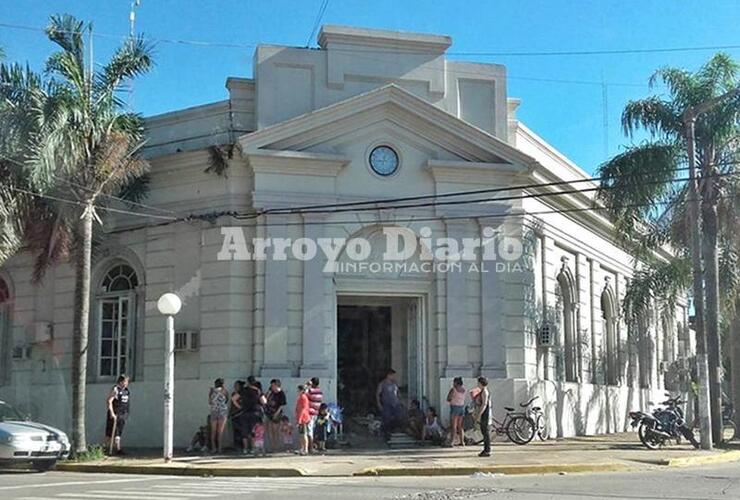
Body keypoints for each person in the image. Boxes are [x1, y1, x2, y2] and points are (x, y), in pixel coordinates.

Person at [105, 374, 130, 455]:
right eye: (125, 381)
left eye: (127, 382)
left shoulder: (126, 391)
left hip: (122, 414)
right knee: (111, 432)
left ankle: (117, 449)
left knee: (118, 432)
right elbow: (109, 401)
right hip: (115, 414)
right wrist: (112, 413)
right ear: (121, 381)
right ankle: (107, 449)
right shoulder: (116, 389)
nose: (126, 383)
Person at [239, 376, 264, 455]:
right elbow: (264, 401)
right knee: (253, 431)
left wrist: (240, 406)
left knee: (244, 431)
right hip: (255, 412)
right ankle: (253, 448)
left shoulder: (243, 390)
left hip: (245, 412)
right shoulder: (257, 391)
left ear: (248, 382)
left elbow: (234, 398)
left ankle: (245, 449)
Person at [376, 369, 402, 439]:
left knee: (398, 417)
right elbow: (378, 394)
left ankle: (394, 430)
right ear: (388, 375)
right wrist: (379, 404)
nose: (394, 377)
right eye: (392, 375)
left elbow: (398, 393)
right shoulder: (382, 383)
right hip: (387, 404)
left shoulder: (395, 383)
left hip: (395, 404)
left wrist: (400, 400)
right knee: (387, 418)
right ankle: (386, 432)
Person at [264, 379, 287, 453]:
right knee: (269, 430)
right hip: (269, 413)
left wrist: (276, 413)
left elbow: (281, 405)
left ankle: (276, 447)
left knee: (275, 431)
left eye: (273, 385)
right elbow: (265, 400)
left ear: (277, 385)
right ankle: (272, 446)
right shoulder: (271, 393)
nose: (272, 387)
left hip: (277, 413)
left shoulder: (281, 393)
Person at [208, 378, 229, 453]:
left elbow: (210, 402)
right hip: (223, 411)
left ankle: (213, 448)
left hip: (214, 411)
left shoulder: (212, 391)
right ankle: (219, 448)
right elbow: (226, 400)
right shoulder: (225, 391)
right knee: (220, 431)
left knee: (213, 431)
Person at [473, 376, 492, 457]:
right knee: (484, 431)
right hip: (484, 412)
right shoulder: (483, 391)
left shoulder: (484, 392)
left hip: (485, 413)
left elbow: (484, 404)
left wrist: (479, 414)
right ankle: (486, 449)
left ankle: (487, 449)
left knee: (485, 432)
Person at [447, 377, 466, 446]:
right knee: (460, 426)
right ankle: (462, 441)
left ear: (456, 383)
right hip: (461, 407)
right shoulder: (463, 390)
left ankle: (452, 441)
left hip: (454, 408)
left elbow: (448, 398)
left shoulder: (453, 390)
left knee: (454, 426)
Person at [306, 377, 323, 452]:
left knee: (309, 431)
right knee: (312, 430)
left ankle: (310, 447)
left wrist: (307, 384)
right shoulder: (320, 392)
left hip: (310, 412)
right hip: (316, 412)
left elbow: (303, 392)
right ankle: (312, 446)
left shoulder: (310, 391)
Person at [295, 384, 311, 455]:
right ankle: (302, 448)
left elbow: (303, 409)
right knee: (301, 434)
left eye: (298, 390)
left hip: (303, 418)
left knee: (304, 434)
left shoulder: (303, 397)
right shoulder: (301, 397)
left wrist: (300, 419)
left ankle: (306, 449)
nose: (297, 391)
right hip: (300, 417)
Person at [229, 380, 245, 450]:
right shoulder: (233, 394)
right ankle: (236, 445)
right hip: (234, 415)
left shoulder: (242, 394)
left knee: (241, 431)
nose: (235, 387)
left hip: (240, 414)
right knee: (235, 431)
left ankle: (242, 445)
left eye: (237, 386)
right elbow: (231, 405)